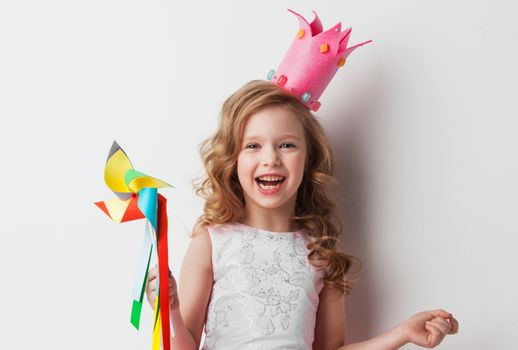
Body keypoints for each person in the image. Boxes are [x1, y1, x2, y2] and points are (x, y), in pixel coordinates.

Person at [146, 80, 459, 349]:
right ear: (233, 159)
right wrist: (169, 309)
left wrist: (400, 334)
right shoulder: (212, 243)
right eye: (253, 145)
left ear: (308, 158)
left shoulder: (320, 253)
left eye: (286, 145)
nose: (270, 159)